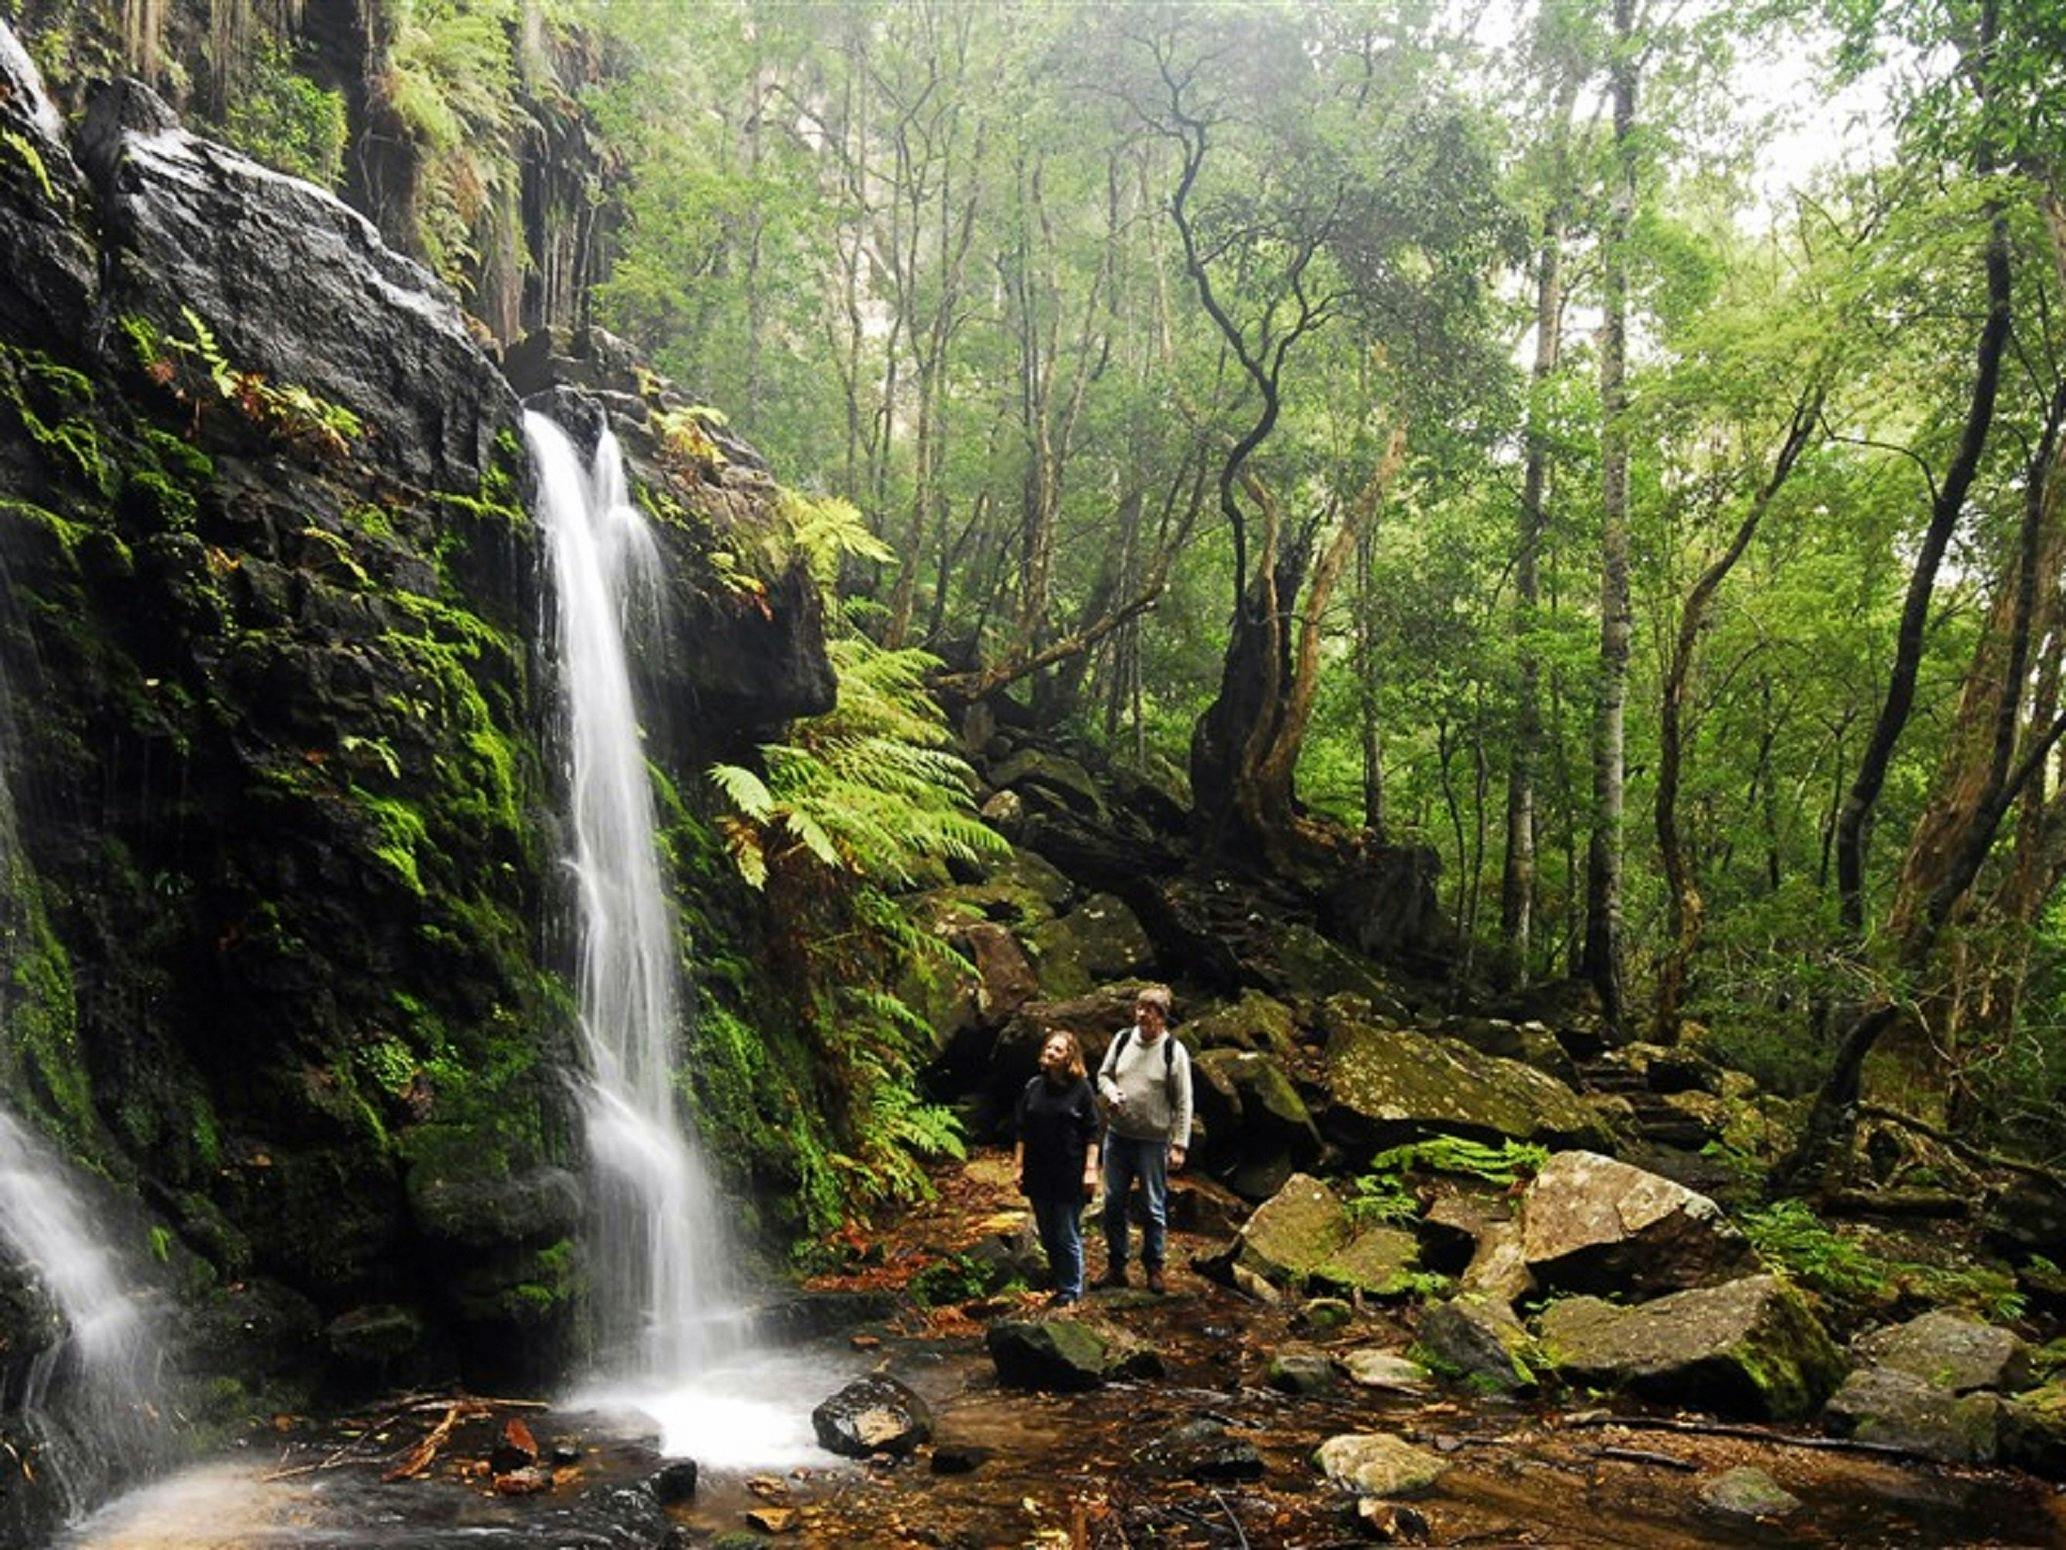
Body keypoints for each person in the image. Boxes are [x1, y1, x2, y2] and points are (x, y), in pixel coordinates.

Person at [1095, 984, 1191, 1294]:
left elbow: (1183, 1101)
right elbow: (1103, 1075)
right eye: (1139, 1009)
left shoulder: (1172, 1051)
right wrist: (1110, 1092)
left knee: (1152, 1205)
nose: (1142, 1015)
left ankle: (1154, 1266)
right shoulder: (1123, 1040)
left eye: (1149, 1011)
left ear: (1162, 1017)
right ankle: (1116, 1266)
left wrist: (1179, 1144)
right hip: (1118, 1136)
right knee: (1112, 1203)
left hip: (1152, 1141)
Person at [1014, 1029, 1100, 1306]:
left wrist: (1090, 1169)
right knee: (1048, 1232)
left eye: (1058, 1050)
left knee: (1066, 1232)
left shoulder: (1082, 1090)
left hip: (1069, 1171)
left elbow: (1093, 1132)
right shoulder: (1033, 1087)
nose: (1050, 1052)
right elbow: (1022, 1131)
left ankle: (1072, 1289)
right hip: (1038, 1170)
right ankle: (1059, 1280)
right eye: (1049, 1047)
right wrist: (1018, 1167)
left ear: (1069, 1058)